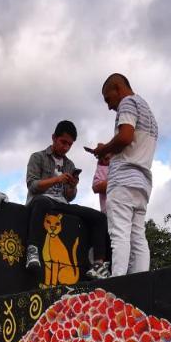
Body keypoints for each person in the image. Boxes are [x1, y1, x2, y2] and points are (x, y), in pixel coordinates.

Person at [24, 120, 112, 280]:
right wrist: (56, 180)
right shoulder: (38, 157)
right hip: (41, 201)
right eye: (63, 142)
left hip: (61, 203)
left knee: (99, 217)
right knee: (42, 201)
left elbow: (69, 197)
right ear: (53, 138)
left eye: (69, 145)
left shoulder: (69, 164)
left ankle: (99, 264)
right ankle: (32, 250)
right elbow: (32, 185)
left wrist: (72, 186)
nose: (65, 147)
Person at [92, 74, 159, 275]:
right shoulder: (148, 111)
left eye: (108, 99)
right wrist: (109, 149)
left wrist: (104, 149)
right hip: (142, 182)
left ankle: (118, 285)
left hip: (123, 180)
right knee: (138, 236)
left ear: (118, 88)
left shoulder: (127, 103)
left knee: (119, 234)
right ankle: (141, 283)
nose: (109, 106)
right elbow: (133, 143)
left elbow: (126, 137)